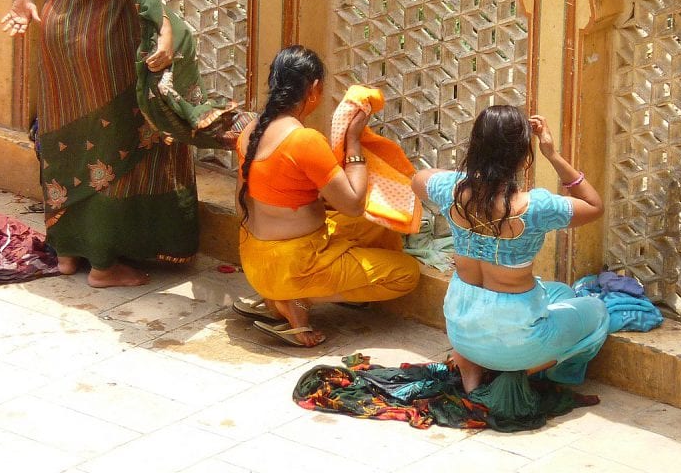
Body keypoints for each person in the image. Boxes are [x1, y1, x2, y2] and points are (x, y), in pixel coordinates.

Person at [1, 0, 234, 288]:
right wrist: (164, 36)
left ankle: (68, 252)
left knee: (68, 137)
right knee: (114, 141)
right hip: (106, 33)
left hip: (60, 25)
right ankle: (105, 266)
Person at [411, 106, 609, 393]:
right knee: (597, 309)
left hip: (462, 333)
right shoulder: (535, 207)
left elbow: (419, 178)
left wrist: (472, 177)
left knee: (561, 293)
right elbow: (594, 206)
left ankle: (471, 363)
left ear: (475, 145)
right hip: (519, 344)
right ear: (522, 155)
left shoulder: (450, 190)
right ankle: (527, 369)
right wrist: (553, 155)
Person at [233, 45, 420, 346]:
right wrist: (354, 140)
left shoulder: (250, 130)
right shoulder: (304, 140)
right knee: (406, 274)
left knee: (377, 224)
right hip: (295, 265)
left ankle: (277, 295)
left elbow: (251, 197)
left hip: (257, 258)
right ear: (315, 88)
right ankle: (296, 300)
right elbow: (354, 204)